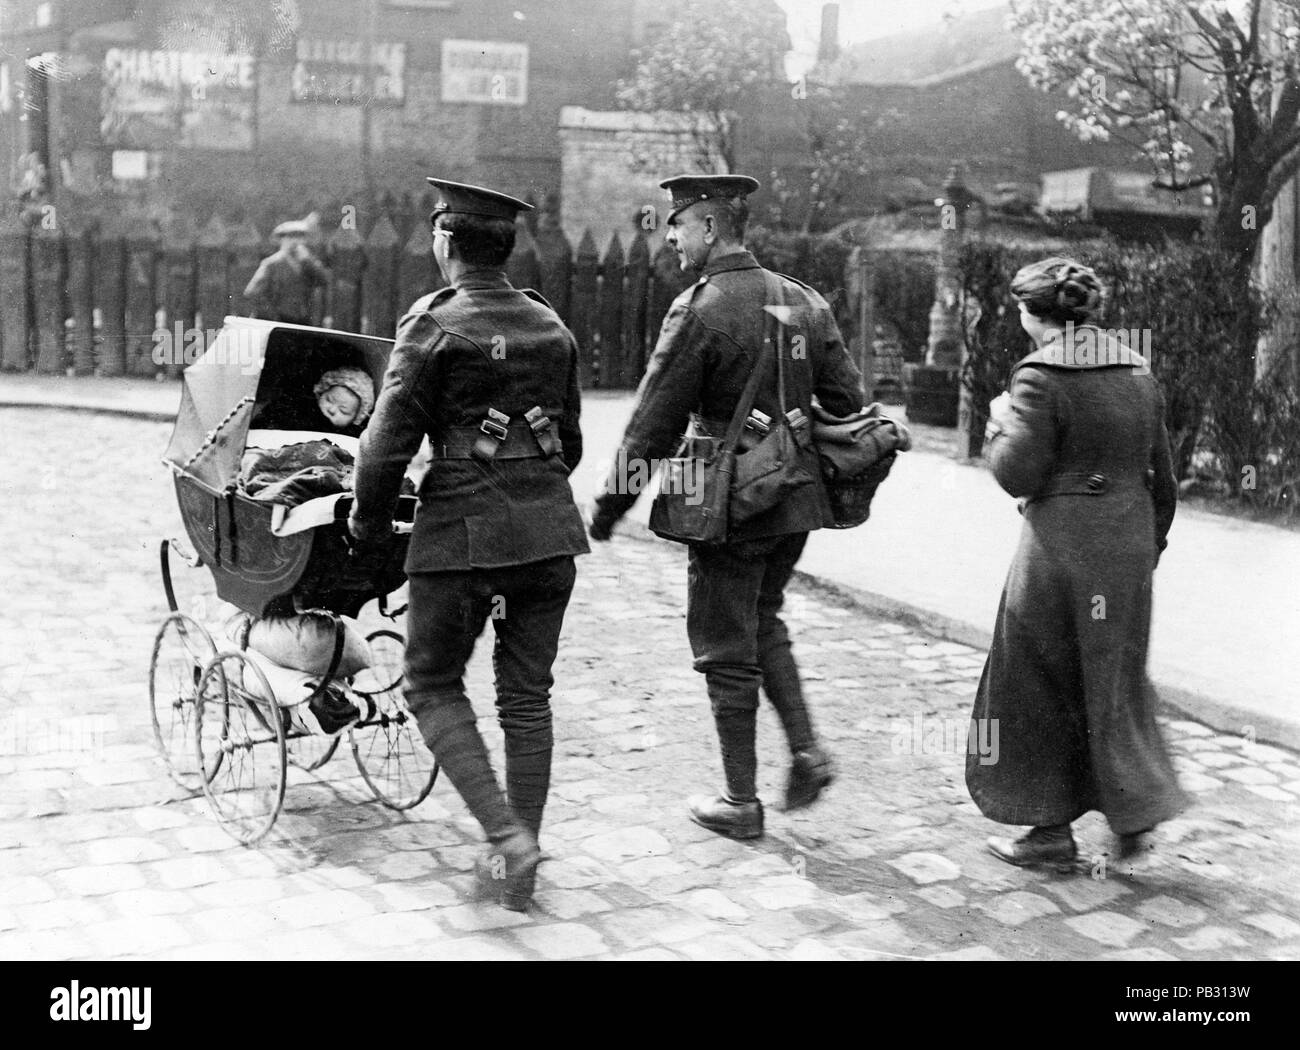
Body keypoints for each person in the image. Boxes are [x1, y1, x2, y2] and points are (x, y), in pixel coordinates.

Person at [589, 174, 865, 840]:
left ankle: (740, 802)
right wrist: (781, 424)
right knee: (762, 618)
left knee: (722, 644)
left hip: (726, 502)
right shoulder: (803, 301)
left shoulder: (699, 308)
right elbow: (850, 404)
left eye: (678, 224)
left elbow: (651, 426)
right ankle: (806, 750)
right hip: (794, 498)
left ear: (709, 227)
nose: (673, 236)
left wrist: (609, 505)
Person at [348, 178, 588, 911]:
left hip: (461, 538)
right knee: (526, 695)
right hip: (550, 537)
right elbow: (569, 445)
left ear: (445, 240)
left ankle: (506, 840)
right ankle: (524, 850)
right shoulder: (552, 327)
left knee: (430, 683)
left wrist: (366, 526)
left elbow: (382, 453)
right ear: (506, 245)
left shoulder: (431, 325)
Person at [968, 256, 1187, 868]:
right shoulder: (1137, 370)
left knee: (1036, 680)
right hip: (1127, 542)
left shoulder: (1038, 376)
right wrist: (1147, 548)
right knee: (1115, 681)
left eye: (1020, 309)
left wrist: (997, 426)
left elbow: (1019, 474)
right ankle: (1134, 821)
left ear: (1036, 315)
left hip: (1060, 546)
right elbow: (1163, 479)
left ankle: (1048, 835)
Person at [244, 219, 330, 325]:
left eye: (300, 237)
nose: (295, 241)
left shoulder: (307, 263)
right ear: (281, 239)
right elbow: (252, 293)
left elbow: (323, 280)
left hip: (303, 320)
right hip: (279, 320)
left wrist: (308, 260)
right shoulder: (271, 264)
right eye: (290, 237)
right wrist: (272, 315)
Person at [313, 366, 375, 435]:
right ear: (322, 392)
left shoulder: (350, 437)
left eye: (343, 411)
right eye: (329, 400)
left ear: (356, 418)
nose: (332, 410)